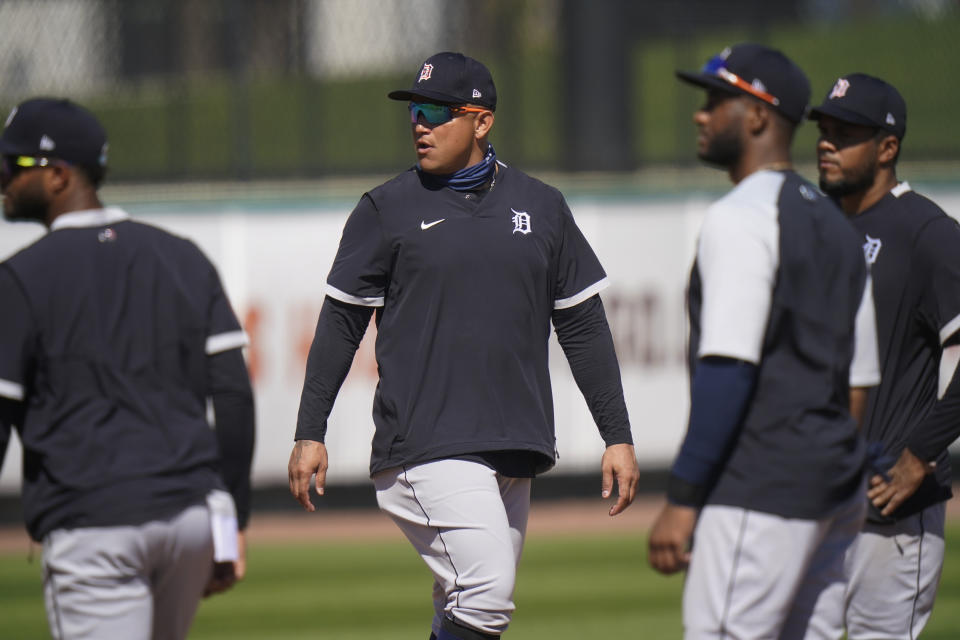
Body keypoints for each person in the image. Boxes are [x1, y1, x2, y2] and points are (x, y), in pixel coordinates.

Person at [287, 51, 639, 640]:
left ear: (482, 121)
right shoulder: (386, 209)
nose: (419, 123)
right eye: (414, 111)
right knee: (487, 596)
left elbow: (583, 326)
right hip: (425, 441)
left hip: (514, 442)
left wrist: (618, 435)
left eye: (436, 111)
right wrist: (309, 430)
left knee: (465, 604)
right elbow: (340, 323)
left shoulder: (542, 205)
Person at [646, 44, 881, 638]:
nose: (702, 114)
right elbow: (860, 385)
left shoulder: (741, 216)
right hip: (835, 488)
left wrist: (683, 496)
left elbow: (729, 369)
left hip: (762, 482)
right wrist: (827, 470)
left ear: (757, 116)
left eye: (716, 100)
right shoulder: (838, 226)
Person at [0, 98, 256, 640]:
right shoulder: (183, 256)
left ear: (58, 175)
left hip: (94, 524)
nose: (3, 176)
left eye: (13, 164)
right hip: (189, 520)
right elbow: (233, 395)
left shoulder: (19, 280)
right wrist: (229, 525)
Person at [809, 73, 960, 639]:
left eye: (845, 132)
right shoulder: (819, 227)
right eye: (824, 129)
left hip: (888, 513)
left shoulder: (926, 232)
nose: (827, 141)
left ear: (887, 147)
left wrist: (920, 453)